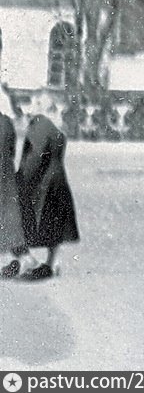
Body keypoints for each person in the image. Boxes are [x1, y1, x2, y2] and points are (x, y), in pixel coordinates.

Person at [15, 111, 80, 280]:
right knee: (54, 224)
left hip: (42, 184)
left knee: (14, 220)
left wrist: (21, 177)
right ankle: (53, 262)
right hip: (58, 181)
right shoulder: (55, 130)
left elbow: (35, 157)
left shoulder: (38, 127)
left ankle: (26, 258)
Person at [1, 104, 32, 280]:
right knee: (9, 220)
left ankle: (24, 258)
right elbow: (12, 151)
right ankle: (23, 257)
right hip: (6, 176)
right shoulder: (6, 121)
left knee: (7, 221)